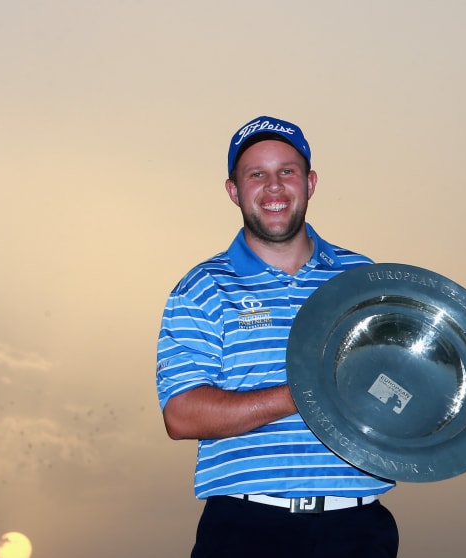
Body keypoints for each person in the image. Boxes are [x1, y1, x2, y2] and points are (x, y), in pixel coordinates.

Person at [156, 116, 399, 557]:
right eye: (256, 175)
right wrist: (305, 392)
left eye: (286, 171)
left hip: (359, 529)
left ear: (309, 183)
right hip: (246, 530)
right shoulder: (202, 287)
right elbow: (182, 415)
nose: (273, 187)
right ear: (234, 191)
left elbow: (393, 382)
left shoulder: (361, 276)